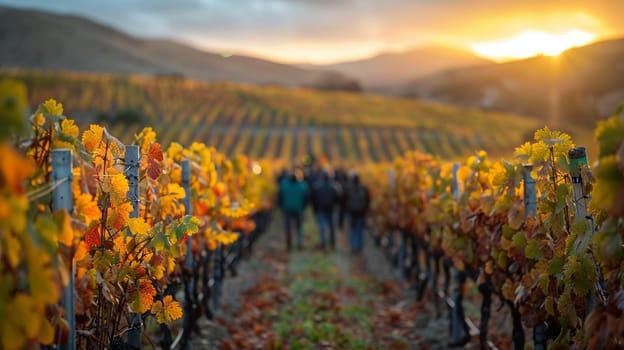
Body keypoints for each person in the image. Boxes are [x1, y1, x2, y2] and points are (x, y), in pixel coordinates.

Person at [279, 169, 308, 251]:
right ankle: (300, 243)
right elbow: (305, 198)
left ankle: (289, 244)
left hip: (287, 208)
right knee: (299, 227)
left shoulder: (284, 185)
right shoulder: (302, 185)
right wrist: (303, 207)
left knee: (288, 227)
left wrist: (281, 207)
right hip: (298, 208)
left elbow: (280, 197)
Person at [311, 171, 338, 250]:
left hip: (321, 210)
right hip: (330, 210)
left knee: (322, 227)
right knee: (331, 227)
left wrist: (315, 210)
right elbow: (336, 199)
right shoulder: (333, 187)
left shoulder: (317, 187)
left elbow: (314, 200)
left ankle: (324, 244)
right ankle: (332, 244)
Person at [345, 173, 370, 254]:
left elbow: (345, 199)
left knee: (352, 230)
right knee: (359, 230)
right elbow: (368, 200)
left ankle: (353, 246)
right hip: (361, 212)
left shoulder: (349, 188)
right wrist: (366, 210)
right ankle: (359, 246)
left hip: (352, 212)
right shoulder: (364, 188)